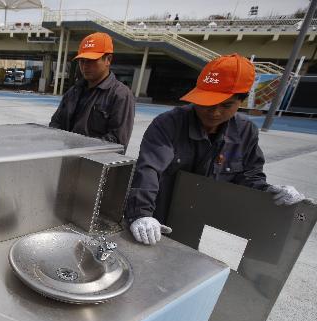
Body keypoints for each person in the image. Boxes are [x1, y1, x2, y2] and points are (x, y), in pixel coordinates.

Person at [125, 54, 307, 245]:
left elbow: (249, 175)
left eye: (226, 105)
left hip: (198, 219)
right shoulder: (169, 124)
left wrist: (270, 191)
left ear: (241, 101)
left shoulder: (245, 132)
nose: (214, 112)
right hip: (156, 215)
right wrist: (141, 213)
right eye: (207, 103)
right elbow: (148, 170)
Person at [49, 32, 135, 151]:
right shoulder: (73, 92)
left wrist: (78, 148)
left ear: (108, 59)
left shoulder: (120, 95)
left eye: (91, 60)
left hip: (93, 165)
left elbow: (117, 142)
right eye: (82, 61)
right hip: (66, 159)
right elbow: (55, 124)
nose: (85, 66)